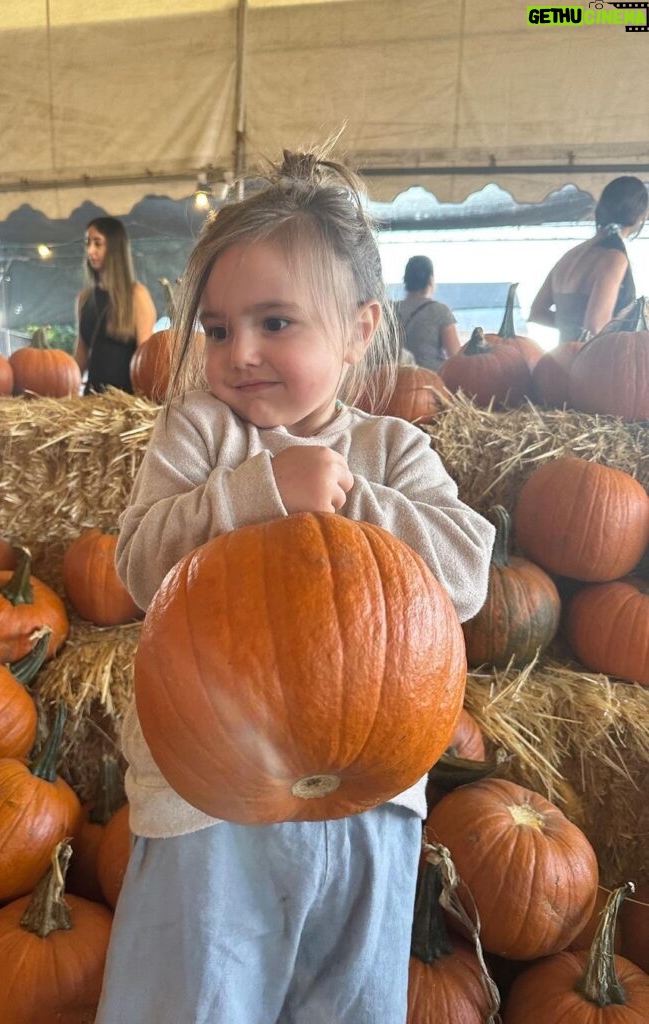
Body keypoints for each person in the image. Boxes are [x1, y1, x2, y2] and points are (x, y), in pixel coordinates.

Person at [94, 149, 495, 1024]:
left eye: (275, 323)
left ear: (357, 330)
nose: (238, 354)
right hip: (203, 797)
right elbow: (138, 566)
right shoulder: (196, 432)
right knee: (196, 996)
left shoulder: (392, 450)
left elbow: (466, 574)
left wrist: (353, 502)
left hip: (369, 791)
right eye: (215, 327)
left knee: (343, 1000)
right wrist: (259, 490)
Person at [529, 175, 648, 342]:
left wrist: (569, 326)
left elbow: (537, 313)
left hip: (560, 359)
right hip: (593, 363)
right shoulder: (614, 259)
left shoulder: (571, 255)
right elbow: (596, 327)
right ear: (640, 216)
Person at [74, 217, 157, 394]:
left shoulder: (137, 295)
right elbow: (81, 353)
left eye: (98, 243)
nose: (90, 250)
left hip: (127, 400)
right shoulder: (85, 298)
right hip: (93, 401)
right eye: (88, 243)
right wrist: (65, 394)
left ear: (114, 248)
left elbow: (145, 357)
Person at [394, 255, 460, 370]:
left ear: (405, 280)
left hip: (395, 378)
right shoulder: (441, 311)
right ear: (430, 280)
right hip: (431, 381)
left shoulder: (391, 310)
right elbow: (456, 357)